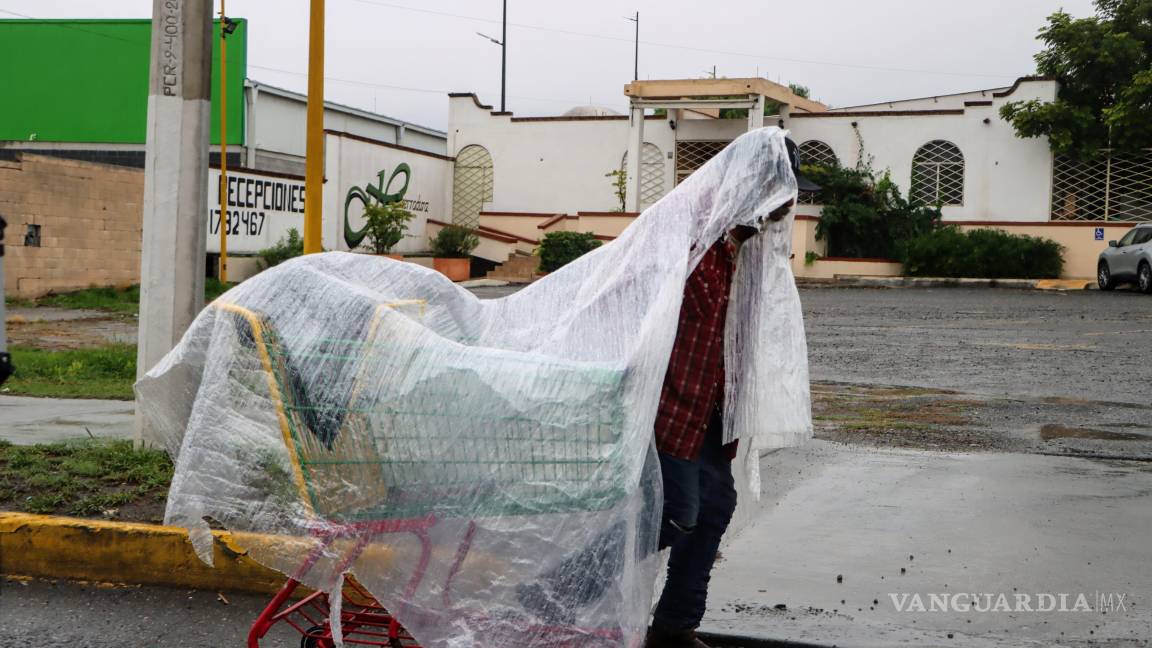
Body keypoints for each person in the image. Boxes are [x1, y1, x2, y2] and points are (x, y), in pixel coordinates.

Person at [645, 138, 818, 648]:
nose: (790, 206)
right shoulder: (689, 238)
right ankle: (563, 589)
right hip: (666, 410)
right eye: (783, 193)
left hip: (707, 410)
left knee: (715, 505)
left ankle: (674, 628)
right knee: (675, 515)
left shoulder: (743, 247)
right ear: (755, 188)